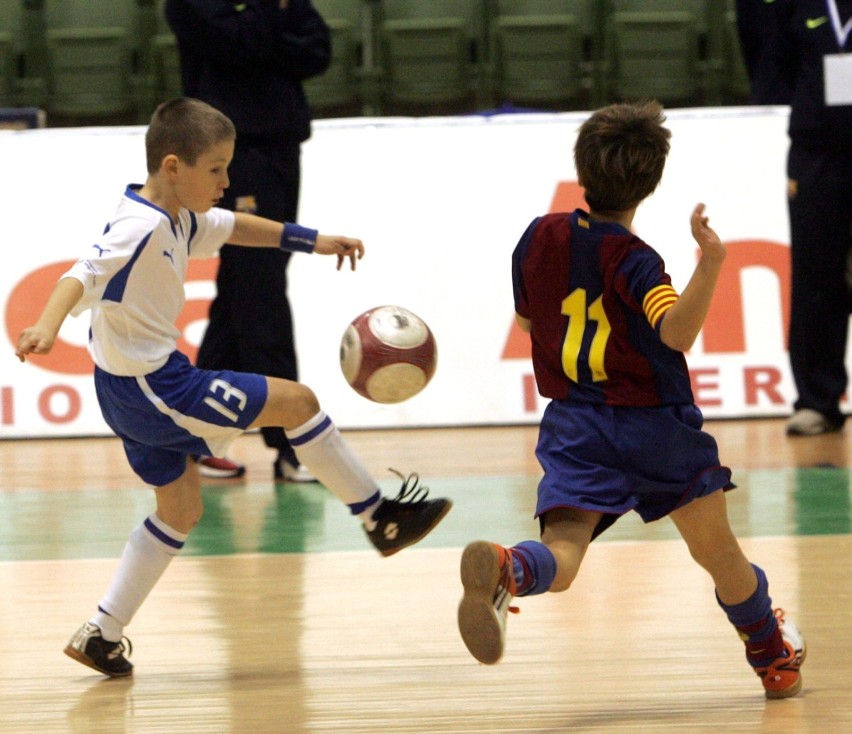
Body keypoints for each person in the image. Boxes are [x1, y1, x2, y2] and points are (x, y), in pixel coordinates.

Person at [15, 98, 452, 677]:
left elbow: (235, 226)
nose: (227, 180)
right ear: (174, 167)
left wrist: (315, 239)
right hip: (156, 386)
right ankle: (379, 517)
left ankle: (102, 631)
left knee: (180, 509)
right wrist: (46, 327)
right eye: (217, 168)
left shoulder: (177, 214)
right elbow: (78, 275)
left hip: (127, 387)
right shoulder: (138, 224)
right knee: (299, 403)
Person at [456, 101, 806, 699]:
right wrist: (713, 262)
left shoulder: (540, 236)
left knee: (563, 554)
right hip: (656, 429)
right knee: (720, 555)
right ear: (651, 181)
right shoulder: (637, 261)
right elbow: (676, 334)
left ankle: (512, 567)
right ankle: (772, 657)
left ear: (583, 169)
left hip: (573, 424)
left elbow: (526, 323)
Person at [164, 0, 332, 481]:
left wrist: (266, 31)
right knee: (260, 291)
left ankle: (193, 439)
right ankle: (291, 443)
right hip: (232, 153)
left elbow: (317, 51)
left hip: (282, 144)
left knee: (242, 289)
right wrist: (271, 18)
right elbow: (237, 44)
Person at [749, 0, 852, 436]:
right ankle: (817, 400)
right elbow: (776, 65)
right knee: (815, 276)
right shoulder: (800, 3)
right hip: (816, 153)